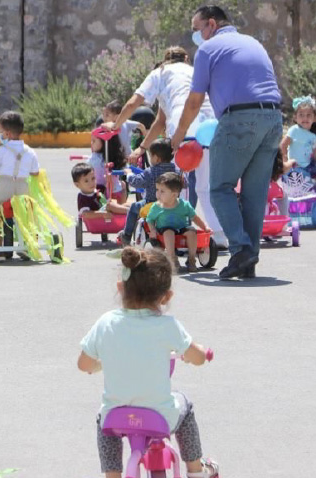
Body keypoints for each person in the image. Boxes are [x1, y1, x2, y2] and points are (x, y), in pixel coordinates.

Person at [78, 247, 219, 478]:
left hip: (117, 417)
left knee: (103, 418)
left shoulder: (105, 323)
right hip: (160, 416)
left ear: (120, 288)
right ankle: (196, 470)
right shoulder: (167, 326)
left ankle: (112, 474)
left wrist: (100, 363)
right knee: (186, 404)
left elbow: (84, 364)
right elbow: (198, 357)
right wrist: (201, 352)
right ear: (166, 296)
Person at [172, 5, 283, 280]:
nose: (196, 36)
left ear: (211, 24)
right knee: (254, 194)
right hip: (273, 119)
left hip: (239, 119)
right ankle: (248, 259)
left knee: (219, 187)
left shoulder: (209, 49)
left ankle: (241, 248)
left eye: (197, 29)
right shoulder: (252, 42)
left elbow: (195, 100)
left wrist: (179, 133)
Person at [103, 46, 226, 248]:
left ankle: (181, 234)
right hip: (211, 128)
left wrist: (116, 126)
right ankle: (219, 236)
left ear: (164, 60)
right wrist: (142, 148)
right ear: (186, 58)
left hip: (184, 128)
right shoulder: (193, 71)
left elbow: (134, 102)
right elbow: (160, 120)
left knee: (179, 187)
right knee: (206, 187)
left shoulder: (160, 73)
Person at [0, 111, 40, 245]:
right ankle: (28, 245)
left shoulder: (1, 150)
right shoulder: (29, 151)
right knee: (25, 215)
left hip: (4, 184)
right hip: (22, 185)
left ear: (7, 134)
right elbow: (35, 173)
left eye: (0, 131)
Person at [146, 173, 210, 273]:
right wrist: (152, 230)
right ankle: (172, 259)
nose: (158, 194)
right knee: (169, 232)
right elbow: (150, 219)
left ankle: (191, 259)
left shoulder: (184, 205)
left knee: (192, 232)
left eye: (162, 191)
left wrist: (204, 227)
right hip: (163, 230)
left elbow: (194, 218)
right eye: (157, 190)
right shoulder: (157, 206)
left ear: (174, 194)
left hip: (181, 228)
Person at [119, 138, 177, 244]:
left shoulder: (150, 171)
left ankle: (126, 235)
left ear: (157, 158)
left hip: (151, 203)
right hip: (172, 204)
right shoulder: (175, 171)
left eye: (151, 156)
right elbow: (185, 183)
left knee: (133, 208)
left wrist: (129, 174)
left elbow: (136, 182)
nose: (150, 159)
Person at [88, 130, 128, 203]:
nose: (91, 143)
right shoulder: (117, 157)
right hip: (116, 191)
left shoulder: (94, 158)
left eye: (94, 141)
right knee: (123, 184)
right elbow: (126, 170)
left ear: (104, 142)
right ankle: (122, 207)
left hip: (99, 191)